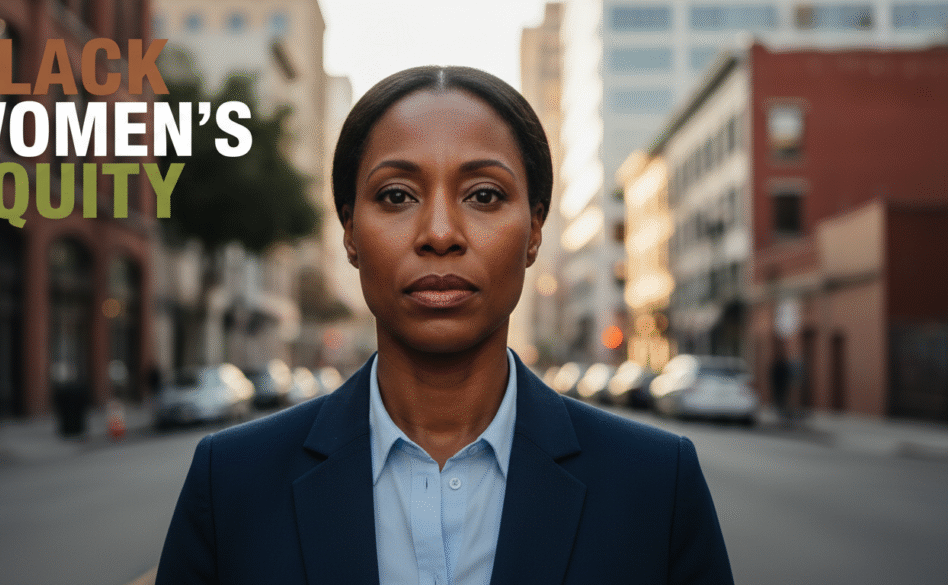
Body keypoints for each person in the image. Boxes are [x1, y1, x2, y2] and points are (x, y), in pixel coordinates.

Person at [156, 66, 734, 585]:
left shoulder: (658, 485)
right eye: (396, 195)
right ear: (350, 232)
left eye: (484, 195)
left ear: (534, 231)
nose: (439, 232)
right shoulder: (230, 482)